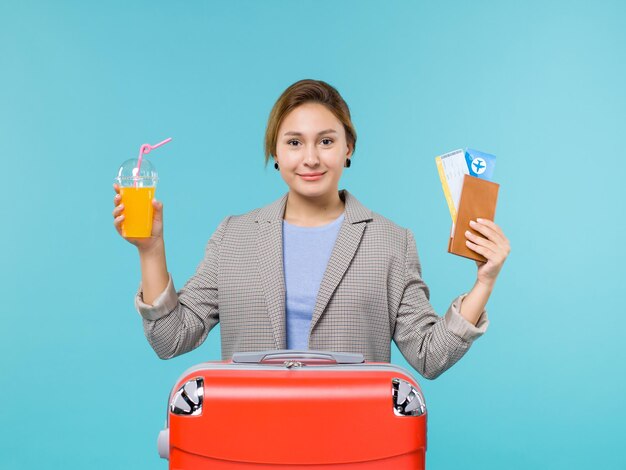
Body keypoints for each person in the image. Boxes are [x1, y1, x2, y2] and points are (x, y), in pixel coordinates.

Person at [112, 79, 510, 379]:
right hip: (251, 441)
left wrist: (484, 283)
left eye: (325, 141)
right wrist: (150, 250)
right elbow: (170, 339)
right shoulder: (234, 236)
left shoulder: (391, 242)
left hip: (352, 443)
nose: (311, 158)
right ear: (276, 152)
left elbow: (429, 356)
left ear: (347, 148)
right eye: (294, 143)